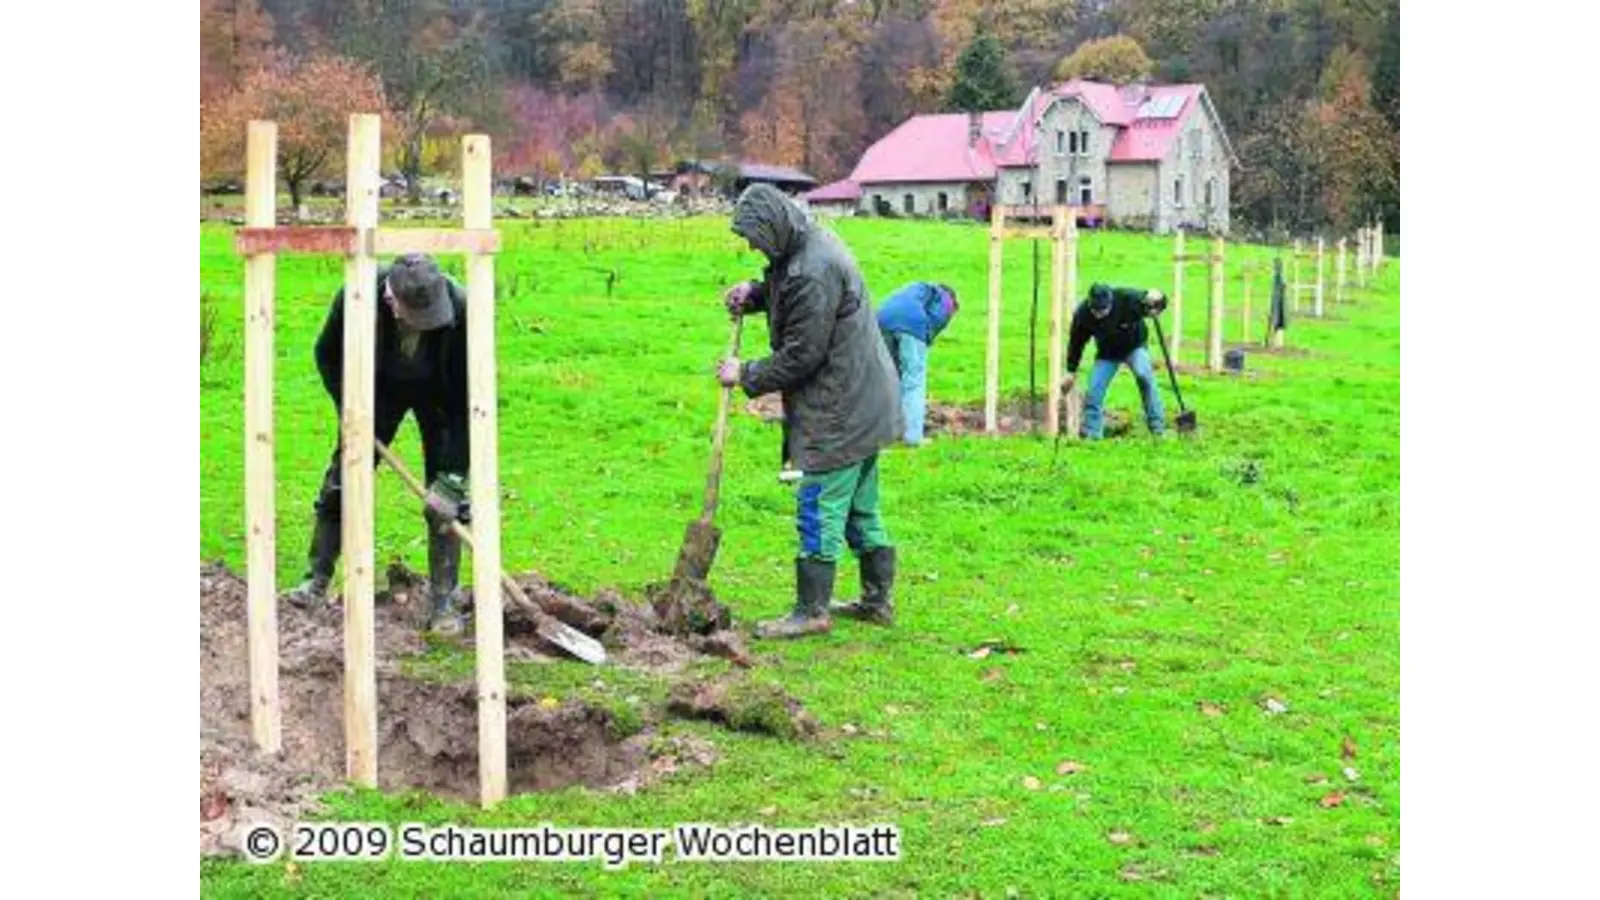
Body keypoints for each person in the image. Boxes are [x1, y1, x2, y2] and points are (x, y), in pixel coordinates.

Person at [719, 184, 905, 639]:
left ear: (773, 227)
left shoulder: (812, 270)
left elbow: (803, 354)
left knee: (818, 505)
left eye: (755, 239)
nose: (753, 248)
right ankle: (877, 601)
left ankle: (811, 611)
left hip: (841, 410)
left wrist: (746, 372)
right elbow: (793, 291)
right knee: (860, 509)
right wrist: (756, 293)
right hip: (866, 400)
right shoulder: (807, 244)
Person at [286, 253, 473, 635]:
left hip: (441, 397)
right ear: (391, 300)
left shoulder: (461, 308)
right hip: (375, 393)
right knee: (341, 483)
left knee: (446, 505)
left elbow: (467, 401)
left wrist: (453, 476)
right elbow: (327, 354)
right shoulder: (357, 296)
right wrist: (351, 409)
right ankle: (316, 581)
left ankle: (444, 601)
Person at [1061, 283, 1169, 440]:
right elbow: (1076, 342)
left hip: (1134, 347)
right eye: (1096, 311)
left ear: (1111, 302)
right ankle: (1092, 435)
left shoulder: (1128, 298)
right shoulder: (1083, 315)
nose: (1099, 315)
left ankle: (1157, 428)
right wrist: (1071, 370)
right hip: (1107, 354)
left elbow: (1154, 300)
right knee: (1094, 392)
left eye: (1103, 310)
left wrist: (1158, 303)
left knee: (1144, 376)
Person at [875, 281, 959, 446]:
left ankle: (883, 433)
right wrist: (926, 339)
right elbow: (937, 318)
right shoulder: (946, 298)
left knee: (889, 379)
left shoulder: (917, 289)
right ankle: (913, 437)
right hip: (911, 325)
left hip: (882, 320)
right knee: (913, 382)